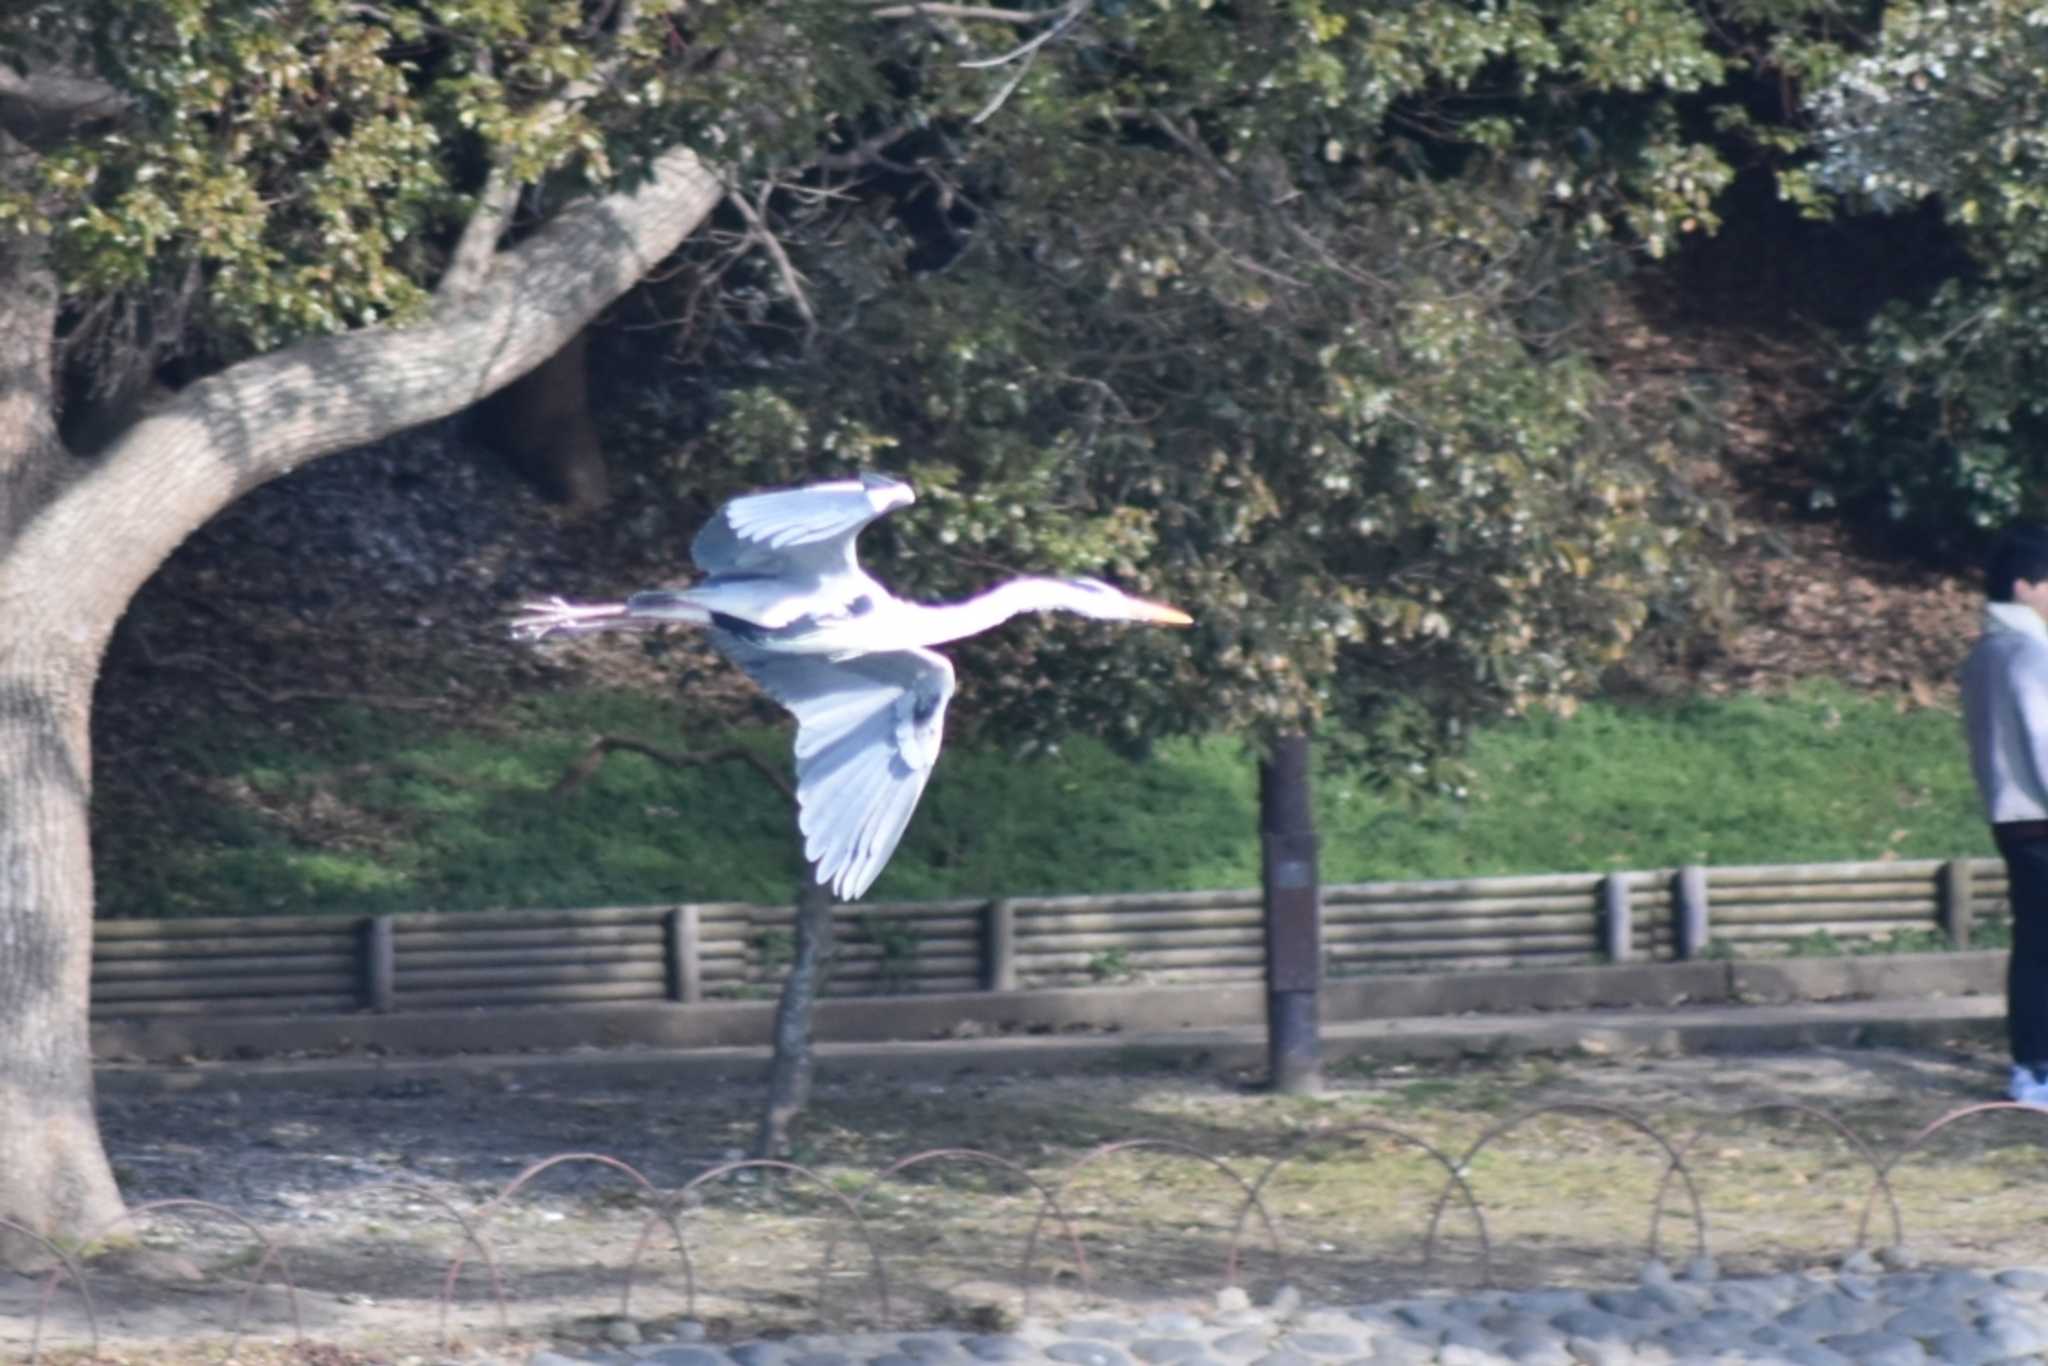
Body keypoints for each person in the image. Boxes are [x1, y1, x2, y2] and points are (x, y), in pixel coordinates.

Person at [1961, 522, 2048, 1104]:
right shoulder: (2028, 653)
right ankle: (2034, 1067)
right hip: (2042, 815)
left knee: (2035, 942)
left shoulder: (1983, 653)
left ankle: (2032, 1063)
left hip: (2010, 814)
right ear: (2023, 587)